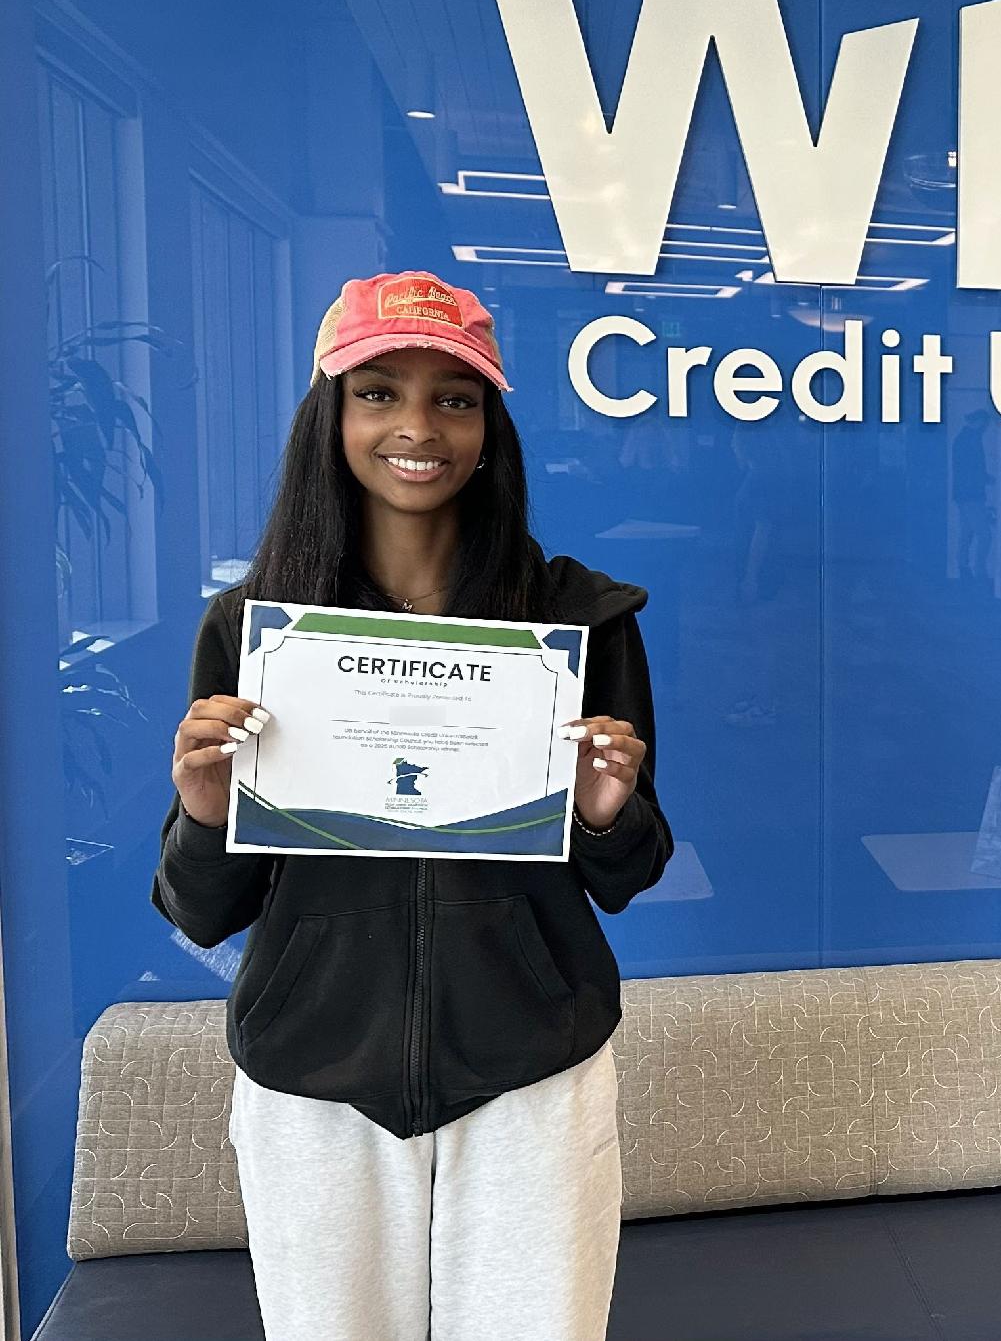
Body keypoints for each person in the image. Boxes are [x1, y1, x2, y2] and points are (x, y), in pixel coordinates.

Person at [151, 270, 672, 1341]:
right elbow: (205, 911)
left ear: (491, 426)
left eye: (456, 396)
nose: (417, 426)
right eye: (379, 391)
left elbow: (626, 876)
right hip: (314, 1069)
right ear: (330, 413)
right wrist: (206, 811)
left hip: (532, 1067)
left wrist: (605, 810)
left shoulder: (577, 621)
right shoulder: (253, 631)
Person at [950, 407, 996, 586]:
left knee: (966, 533)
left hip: (963, 494)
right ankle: (979, 571)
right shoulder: (972, 440)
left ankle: (964, 569)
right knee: (984, 535)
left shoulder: (962, 439)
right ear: (980, 422)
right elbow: (974, 469)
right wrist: (986, 479)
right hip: (972, 494)